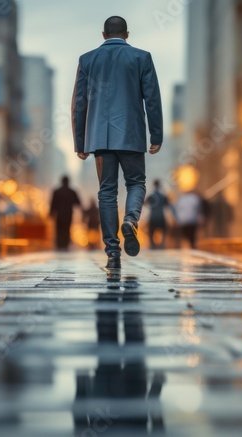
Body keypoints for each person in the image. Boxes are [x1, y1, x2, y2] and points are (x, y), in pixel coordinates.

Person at [72, 16, 163, 269]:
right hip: (131, 134)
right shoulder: (141, 58)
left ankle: (112, 252)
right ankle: (131, 220)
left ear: (103, 34)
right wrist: (156, 136)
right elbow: (152, 99)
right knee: (136, 182)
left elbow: (80, 104)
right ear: (127, 34)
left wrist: (80, 142)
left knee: (107, 193)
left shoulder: (87, 60)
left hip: (100, 138)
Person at [49, 176, 83, 251]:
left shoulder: (57, 191)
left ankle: (59, 245)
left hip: (59, 215)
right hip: (68, 215)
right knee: (66, 230)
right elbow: (78, 203)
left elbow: (53, 203)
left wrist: (51, 213)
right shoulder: (72, 192)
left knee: (59, 230)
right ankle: (65, 245)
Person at [144, 180, 174, 249]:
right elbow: (168, 205)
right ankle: (162, 245)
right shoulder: (163, 196)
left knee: (151, 232)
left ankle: (152, 245)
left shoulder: (151, 196)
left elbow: (144, 203)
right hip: (161, 217)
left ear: (153, 185)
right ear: (160, 185)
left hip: (153, 217)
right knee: (164, 231)